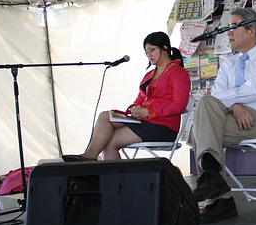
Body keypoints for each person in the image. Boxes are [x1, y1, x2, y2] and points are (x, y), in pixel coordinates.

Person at [191, 8, 256, 223]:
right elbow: (215, 96)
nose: (228, 32)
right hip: (234, 120)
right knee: (205, 104)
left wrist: (233, 103)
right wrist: (236, 106)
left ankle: (221, 199)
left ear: (251, 30)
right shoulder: (228, 64)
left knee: (199, 132)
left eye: (233, 26)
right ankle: (215, 181)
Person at [62, 32, 191, 161]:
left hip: (163, 127)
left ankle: (94, 160)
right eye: (146, 52)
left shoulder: (179, 73)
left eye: (152, 50)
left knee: (110, 142)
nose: (149, 55)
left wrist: (148, 111)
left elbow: (178, 106)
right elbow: (140, 99)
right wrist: (133, 110)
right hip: (144, 122)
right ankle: (90, 155)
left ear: (165, 49)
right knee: (104, 116)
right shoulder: (150, 74)